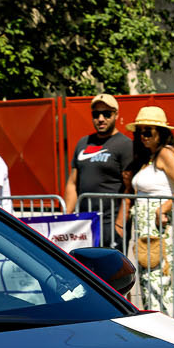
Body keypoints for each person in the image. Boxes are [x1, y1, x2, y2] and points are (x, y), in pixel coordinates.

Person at [124, 107, 174, 313]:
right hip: (145, 225)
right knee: (147, 275)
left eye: (148, 131)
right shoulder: (150, 157)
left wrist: (162, 209)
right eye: (140, 132)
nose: (143, 136)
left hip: (158, 224)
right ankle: (154, 318)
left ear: (161, 132)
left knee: (158, 275)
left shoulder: (166, 153)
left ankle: (163, 320)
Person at [64, 93, 133, 242]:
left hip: (110, 223)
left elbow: (130, 189)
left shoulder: (125, 145)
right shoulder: (83, 143)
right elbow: (72, 183)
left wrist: (120, 225)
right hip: (83, 223)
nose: (101, 119)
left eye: (107, 114)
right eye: (96, 114)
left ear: (116, 115)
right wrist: (67, 218)